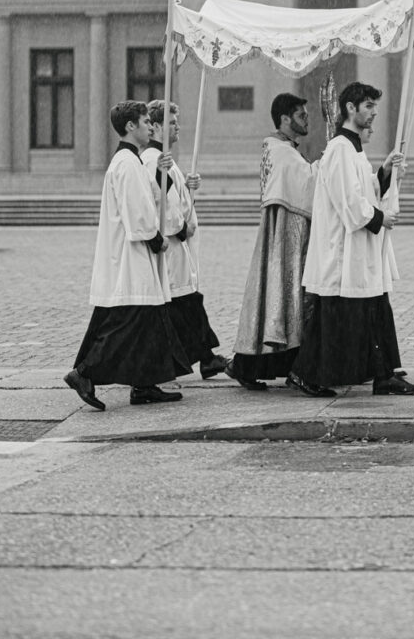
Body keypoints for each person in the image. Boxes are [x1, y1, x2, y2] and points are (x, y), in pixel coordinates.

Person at [290, 82, 414, 397]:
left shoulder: (353, 149)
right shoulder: (339, 148)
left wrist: (384, 173)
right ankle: (304, 373)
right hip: (342, 250)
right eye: (368, 106)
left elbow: (364, 191)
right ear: (350, 108)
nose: (374, 113)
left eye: (374, 107)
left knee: (375, 310)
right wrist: (380, 218)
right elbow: (348, 201)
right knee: (336, 317)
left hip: (359, 247)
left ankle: (384, 375)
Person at [64, 101, 191, 409]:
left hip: (133, 254)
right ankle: (84, 372)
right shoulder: (127, 163)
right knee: (130, 325)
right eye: (147, 121)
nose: (152, 126)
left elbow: (151, 198)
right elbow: (139, 211)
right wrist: (156, 239)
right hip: (132, 255)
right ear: (131, 126)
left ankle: (144, 384)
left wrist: (163, 177)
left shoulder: (130, 161)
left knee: (146, 324)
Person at [228, 92, 318, 390]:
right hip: (287, 230)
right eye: (302, 115)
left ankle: (252, 365)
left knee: (274, 298)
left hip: (283, 227)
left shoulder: (281, 148)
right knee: (285, 296)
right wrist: (325, 165)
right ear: (285, 119)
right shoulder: (281, 151)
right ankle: (258, 365)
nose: (308, 120)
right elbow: (305, 183)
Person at [141, 99, 227, 379]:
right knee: (184, 305)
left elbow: (176, 199)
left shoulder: (166, 160)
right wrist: (179, 228)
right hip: (171, 247)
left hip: (178, 249)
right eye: (172, 123)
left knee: (187, 304)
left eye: (177, 122)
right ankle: (204, 358)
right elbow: (158, 203)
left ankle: (205, 357)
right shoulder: (154, 160)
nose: (178, 128)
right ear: (154, 127)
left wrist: (188, 189)